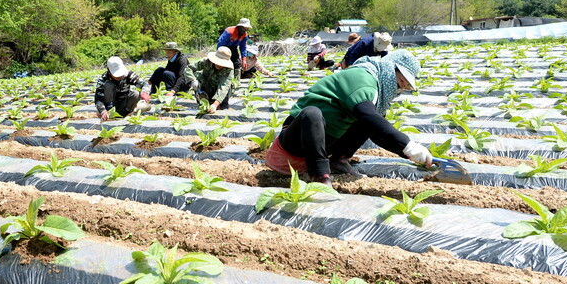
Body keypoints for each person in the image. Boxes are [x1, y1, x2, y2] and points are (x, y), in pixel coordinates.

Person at [265, 50, 433, 185]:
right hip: (295, 143)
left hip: (324, 142)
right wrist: (407, 144)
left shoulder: (376, 90)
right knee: (312, 113)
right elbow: (366, 113)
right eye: (401, 82)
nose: (399, 89)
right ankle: (319, 176)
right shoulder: (362, 77)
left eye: (404, 87)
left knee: (371, 122)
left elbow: (376, 130)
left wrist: (408, 153)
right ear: (390, 69)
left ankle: (339, 160)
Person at [95, 56, 150, 121]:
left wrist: (145, 92)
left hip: (123, 102)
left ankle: (127, 113)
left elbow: (144, 83)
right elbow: (98, 99)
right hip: (110, 106)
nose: (120, 76)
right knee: (109, 85)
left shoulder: (128, 74)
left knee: (136, 94)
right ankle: (109, 113)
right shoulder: (103, 79)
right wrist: (102, 110)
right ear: (109, 72)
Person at [185, 46, 236, 115]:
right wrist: (193, 80)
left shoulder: (228, 70)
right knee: (198, 77)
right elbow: (188, 68)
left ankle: (220, 105)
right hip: (206, 87)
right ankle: (204, 101)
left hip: (219, 90)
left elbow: (224, 87)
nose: (219, 64)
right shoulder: (206, 61)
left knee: (222, 107)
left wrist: (215, 104)